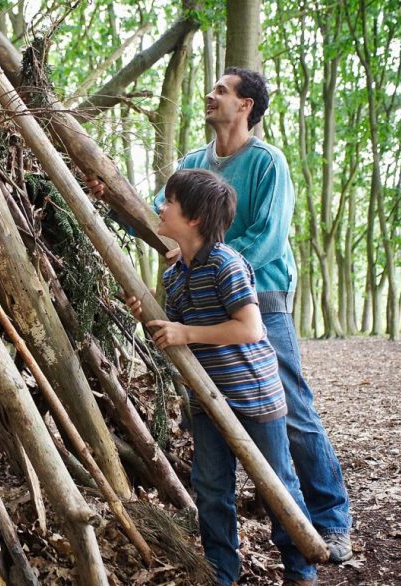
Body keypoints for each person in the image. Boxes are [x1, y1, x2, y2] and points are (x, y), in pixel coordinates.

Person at [88, 67, 353, 563]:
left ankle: (330, 522)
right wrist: (111, 202)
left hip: (261, 299)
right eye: (212, 89)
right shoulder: (194, 163)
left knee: (290, 410)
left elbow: (269, 237)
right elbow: (158, 220)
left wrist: (211, 264)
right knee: (210, 414)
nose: (211, 96)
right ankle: (223, 556)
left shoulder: (267, 163)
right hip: (203, 301)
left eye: (222, 91)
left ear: (246, 105)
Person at [128, 168, 316, 586]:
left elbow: (251, 328)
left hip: (254, 396)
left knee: (276, 483)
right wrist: (149, 320)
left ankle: (302, 569)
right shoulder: (174, 276)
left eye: (170, 203)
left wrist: (187, 332)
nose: (161, 207)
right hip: (207, 401)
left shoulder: (226, 263)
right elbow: (173, 337)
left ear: (193, 218)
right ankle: (221, 574)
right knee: (212, 489)